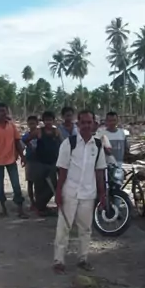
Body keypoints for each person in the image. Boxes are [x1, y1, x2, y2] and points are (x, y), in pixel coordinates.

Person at [53, 110, 107, 274]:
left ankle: (83, 259)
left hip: (88, 194)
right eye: (83, 122)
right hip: (69, 192)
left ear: (94, 124)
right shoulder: (69, 143)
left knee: (85, 229)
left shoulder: (98, 145)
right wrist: (58, 192)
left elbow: (99, 171)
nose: (86, 126)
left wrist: (102, 194)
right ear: (78, 124)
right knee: (64, 227)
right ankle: (59, 261)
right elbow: (62, 170)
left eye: (89, 122)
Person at [0, 102, 27, 218]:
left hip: (11, 160)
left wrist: (22, 157)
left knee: (16, 185)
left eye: (3, 111)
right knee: (0, 186)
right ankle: (3, 209)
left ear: (7, 111)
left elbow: (17, 141)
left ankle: (20, 210)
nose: (2, 113)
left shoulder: (11, 126)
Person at [29, 111, 62, 216]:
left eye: (50, 120)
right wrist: (32, 148)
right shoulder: (39, 131)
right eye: (46, 120)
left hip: (52, 163)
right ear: (43, 121)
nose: (48, 122)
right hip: (40, 163)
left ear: (53, 121)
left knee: (53, 186)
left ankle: (40, 205)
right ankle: (40, 209)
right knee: (39, 186)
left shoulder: (56, 132)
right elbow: (26, 139)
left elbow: (62, 144)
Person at [21, 115, 39, 210]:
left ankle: (39, 202)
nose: (32, 125)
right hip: (30, 160)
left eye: (33, 123)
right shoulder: (26, 136)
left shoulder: (40, 134)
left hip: (40, 161)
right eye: (30, 124)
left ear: (37, 123)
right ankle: (32, 202)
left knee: (39, 183)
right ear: (28, 124)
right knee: (30, 182)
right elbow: (21, 147)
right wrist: (22, 158)